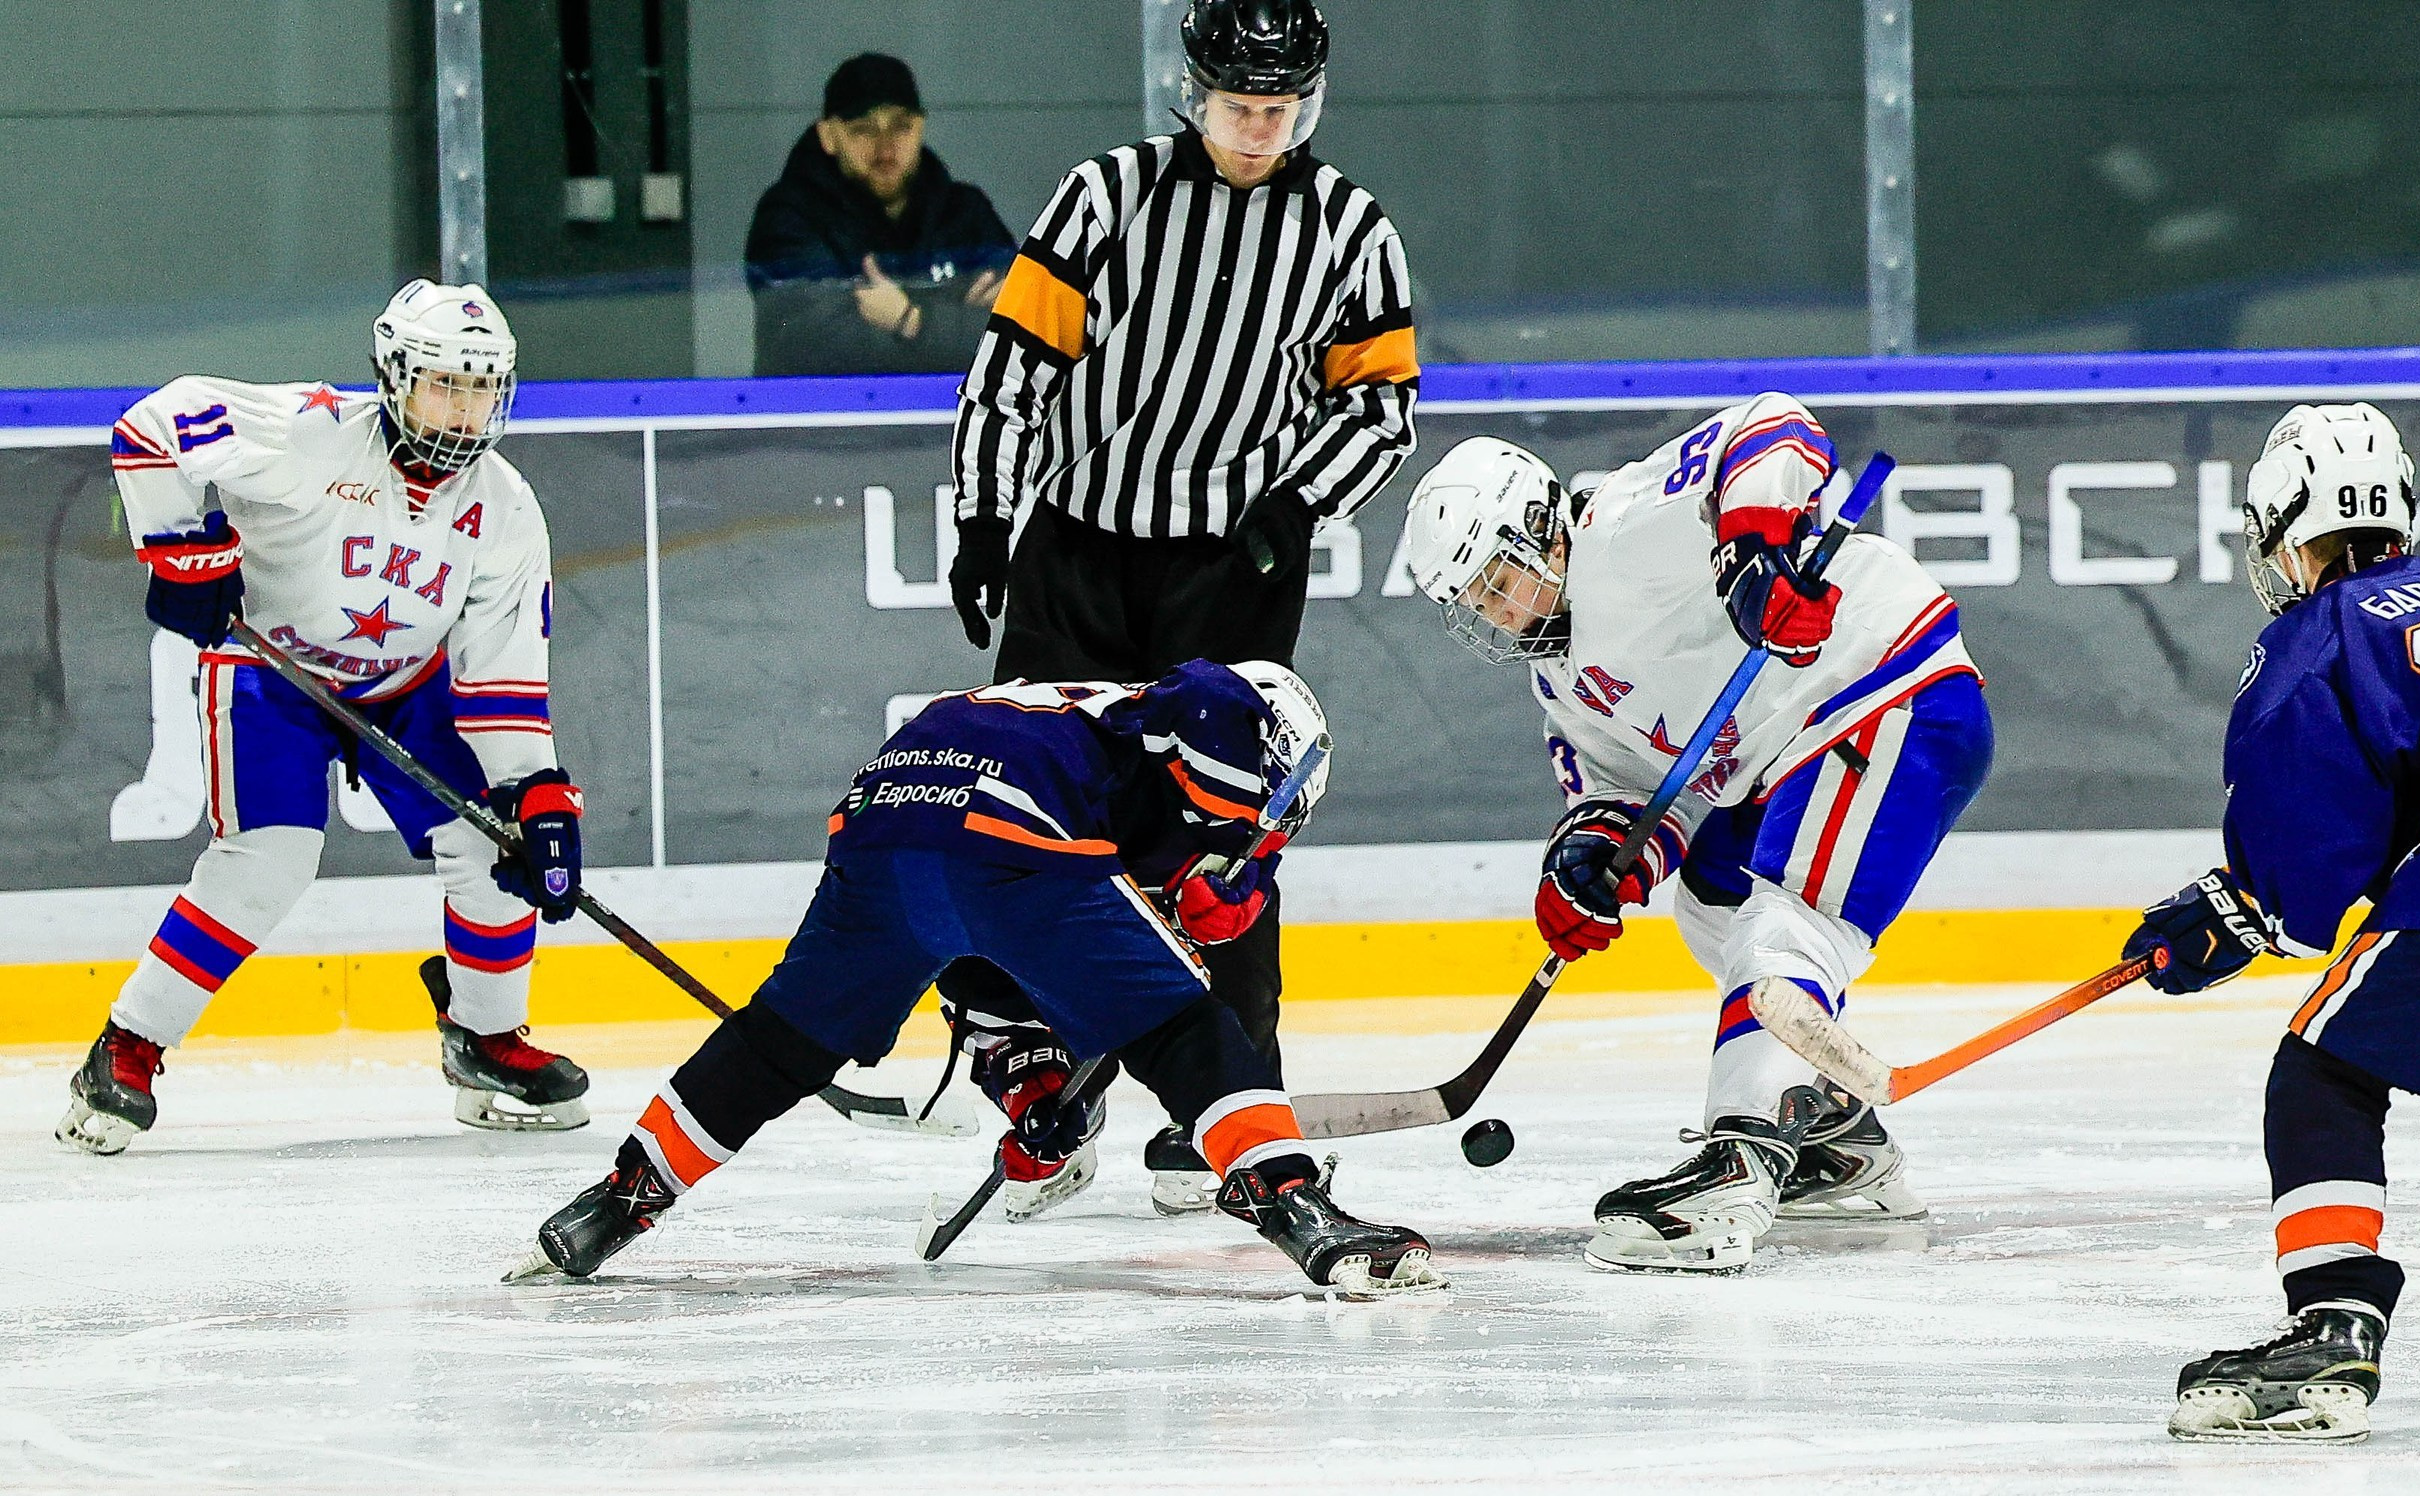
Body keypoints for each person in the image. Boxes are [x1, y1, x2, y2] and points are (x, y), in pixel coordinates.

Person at [514, 661, 1444, 1298]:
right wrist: (1230, 864)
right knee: (1179, 1026)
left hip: (884, 818)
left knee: (782, 1039)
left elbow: (984, 965)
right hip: (1008, 815)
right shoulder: (1217, 710)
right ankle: (1295, 1206)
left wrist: (1038, 1093)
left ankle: (621, 1200)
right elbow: (1205, 705)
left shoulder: (1105, 734)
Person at [942, 0, 1419, 1216]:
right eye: (1239, 104)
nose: (1260, 127)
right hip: (1080, 547)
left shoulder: (1353, 229)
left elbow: (1379, 411)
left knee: (1227, 833)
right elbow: (1013, 367)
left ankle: (1222, 1092)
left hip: (1234, 568)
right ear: (1194, 90)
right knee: (1027, 809)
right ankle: (1036, 1072)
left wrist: (1290, 507)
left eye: (1282, 106)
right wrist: (988, 516)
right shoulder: (1106, 196)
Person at [1399, 395, 1993, 1273]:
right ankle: (1825, 1128)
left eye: (1496, 582)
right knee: (1714, 901)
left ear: (1541, 533)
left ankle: (1740, 1161)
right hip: (1786, 753)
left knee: (1788, 916)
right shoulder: (1559, 685)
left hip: (1880, 687)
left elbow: (1773, 426)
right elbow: (1635, 798)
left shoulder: (1620, 535)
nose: (1497, 615)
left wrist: (1758, 551)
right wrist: (1592, 861)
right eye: (1474, 605)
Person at [56, 280, 590, 1155]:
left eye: (482, 387)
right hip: (275, 673)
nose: (464, 411)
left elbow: (501, 670)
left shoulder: (507, 508)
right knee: (269, 858)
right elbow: (152, 428)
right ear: (393, 375)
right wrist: (181, 548)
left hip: (408, 686)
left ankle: (485, 1037)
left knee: (495, 842)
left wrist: (536, 792)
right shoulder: (308, 435)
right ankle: (126, 1047)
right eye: (444, 384)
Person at [2122, 405, 2420, 1443]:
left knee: (2323, 1070)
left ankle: (2332, 1318)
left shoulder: (2319, 634)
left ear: (2278, 528)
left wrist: (2243, 911)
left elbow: (2307, 860)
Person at [745, 53, 1013, 376]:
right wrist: (955, 319)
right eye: (863, 130)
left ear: (920, 128)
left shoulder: (966, 211)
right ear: (828, 136)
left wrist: (911, 319)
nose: (885, 149)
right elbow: (813, 347)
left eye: (901, 126)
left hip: (951, 419)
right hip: (823, 421)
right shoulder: (788, 217)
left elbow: (1019, 339)